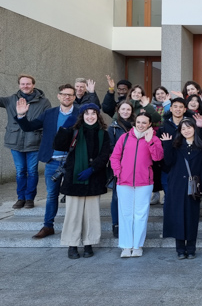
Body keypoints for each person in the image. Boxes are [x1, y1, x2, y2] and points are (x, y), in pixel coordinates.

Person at [0, 68, 52, 209]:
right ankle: (21, 198)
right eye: (23, 83)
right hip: (15, 141)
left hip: (34, 141)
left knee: (32, 171)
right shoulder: (11, 100)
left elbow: (48, 121)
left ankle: (30, 198)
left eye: (28, 83)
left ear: (33, 85)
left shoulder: (44, 102)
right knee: (20, 171)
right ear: (19, 85)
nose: (25, 86)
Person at [15, 84, 79, 238]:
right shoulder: (49, 113)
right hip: (53, 161)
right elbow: (29, 127)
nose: (67, 97)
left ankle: (74, 227)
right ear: (58, 96)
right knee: (52, 195)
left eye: (70, 95)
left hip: (73, 161)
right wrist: (22, 116)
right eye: (64, 94)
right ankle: (48, 226)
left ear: (74, 97)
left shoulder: (80, 113)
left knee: (74, 196)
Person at [53, 103, 110, 259]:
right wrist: (65, 128)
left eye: (93, 113)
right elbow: (58, 145)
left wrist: (92, 169)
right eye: (87, 113)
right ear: (82, 116)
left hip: (94, 178)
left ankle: (88, 243)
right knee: (73, 214)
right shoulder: (74, 131)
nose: (90, 116)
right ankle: (72, 245)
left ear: (98, 116)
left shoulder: (103, 134)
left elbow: (105, 154)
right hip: (74, 179)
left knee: (91, 215)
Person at [110, 113, 163, 258]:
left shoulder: (154, 139)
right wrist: (118, 172)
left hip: (144, 182)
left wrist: (150, 141)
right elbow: (114, 156)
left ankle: (138, 245)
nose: (140, 125)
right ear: (134, 123)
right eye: (138, 122)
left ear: (149, 124)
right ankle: (126, 246)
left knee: (141, 215)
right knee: (125, 214)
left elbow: (158, 157)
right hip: (124, 182)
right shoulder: (125, 137)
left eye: (144, 123)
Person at [161, 118, 202, 259]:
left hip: (193, 188)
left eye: (189, 127)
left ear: (194, 129)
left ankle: (191, 249)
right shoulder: (175, 145)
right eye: (183, 128)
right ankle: (180, 249)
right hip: (176, 187)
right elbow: (168, 163)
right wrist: (166, 145)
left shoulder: (201, 147)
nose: (186, 130)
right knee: (178, 217)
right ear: (180, 131)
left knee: (191, 218)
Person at [107, 101, 135, 238]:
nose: (125, 111)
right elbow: (111, 148)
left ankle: (129, 222)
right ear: (118, 110)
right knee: (117, 197)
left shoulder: (137, 125)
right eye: (123, 109)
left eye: (128, 109)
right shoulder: (113, 127)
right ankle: (116, 224)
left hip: (136, 166)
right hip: (119, 166)